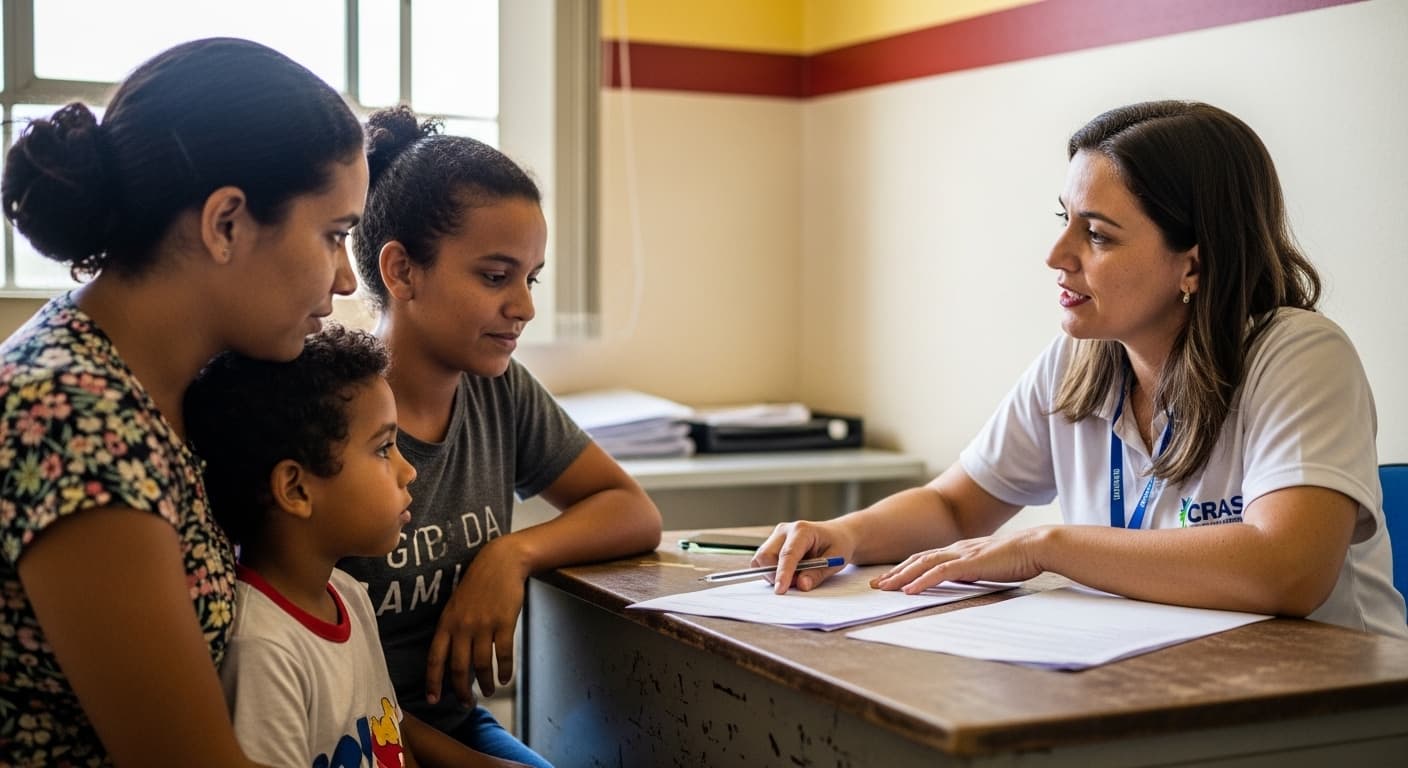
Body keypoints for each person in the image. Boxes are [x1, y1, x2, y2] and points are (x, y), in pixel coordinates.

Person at [754, 100, 1408, 638]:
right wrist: (841, 534)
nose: (1056, 255)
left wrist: (1049, 545)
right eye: (1065, 220)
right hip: (1155, 678)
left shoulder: (1298, 354)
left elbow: (1287, 571)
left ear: (1195, 264)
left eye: (1097, 234)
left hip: (1327, 703)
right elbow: (955, 507)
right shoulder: (1080, 360)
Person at [0, 38, 366, 766]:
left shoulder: (170, 380)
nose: (347, 280)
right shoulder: (77, 422)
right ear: (226, 222)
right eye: (333, 235)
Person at [343, 106, 663, 766]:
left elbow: (632, 510)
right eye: (495, 276)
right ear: (402, 271)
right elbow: (323, 677)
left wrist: (510, 556)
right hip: (357, 737)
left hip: (451, 726)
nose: (524, 305)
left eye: (530, 277)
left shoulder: (497, 389)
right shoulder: (332, 415)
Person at [185, 326, 526, 768]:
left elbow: (391, 729)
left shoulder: (348, 595)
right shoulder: (264, 650)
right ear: (296, 489)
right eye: (384, 449)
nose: (409, 472)